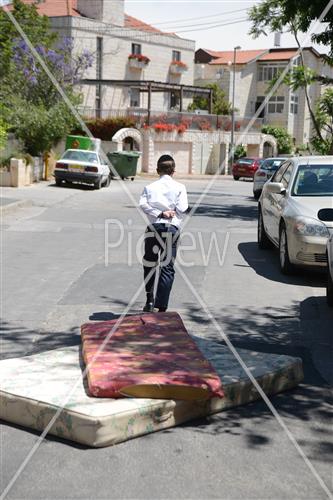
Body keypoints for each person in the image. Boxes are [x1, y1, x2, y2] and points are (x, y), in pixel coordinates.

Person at [139, 155, 188, 312]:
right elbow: (182, 209)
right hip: (171, 230)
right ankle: (162, 307)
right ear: (173, 171)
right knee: (167, 267)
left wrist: (159, 213)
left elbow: (143, 205)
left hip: (154, 229)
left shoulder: (149, 187)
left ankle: (150, 300)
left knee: (150, 264)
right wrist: (171, 212)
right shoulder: (180, 187)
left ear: (157, 170)